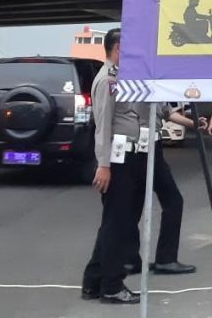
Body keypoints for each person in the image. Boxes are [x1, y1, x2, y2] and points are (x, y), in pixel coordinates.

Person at [81, 29, 150, 305]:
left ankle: (93, 281)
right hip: (117, 160)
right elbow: (103, 125)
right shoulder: (107, 80)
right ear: (118, 48)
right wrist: (104, 165)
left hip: (127, 156)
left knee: (114, 223)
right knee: (117, 225)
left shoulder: (120, 77)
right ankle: (111, 285)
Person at [124, 102, 205, 276]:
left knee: (135, 203)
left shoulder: (146, 82)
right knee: (173, 201)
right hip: (145, 145)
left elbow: (165, 112)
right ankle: (166, 259)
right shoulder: (144, 83)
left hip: (145, 144)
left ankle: (129, 259)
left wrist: (193, 124)